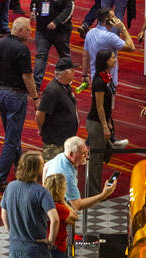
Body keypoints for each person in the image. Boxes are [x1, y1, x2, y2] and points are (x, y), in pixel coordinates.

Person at [0, 17, 39, 194]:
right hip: (16, 95)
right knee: (11, 139)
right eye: (28, 29)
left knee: (13, 134)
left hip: (1, 92)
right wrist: (35, 96)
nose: (30, 32)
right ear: (19, 30)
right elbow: (27, 76)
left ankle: (21, 170)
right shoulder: (22, 49)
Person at [42, 136, 119, 213]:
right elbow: (78, 205)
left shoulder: (61, 156)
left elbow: (46, 166)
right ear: (71, 154)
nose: (86, 156)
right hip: (54, 211)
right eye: (83, 153)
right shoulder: (66, 175)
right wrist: (103, 195)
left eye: (86, 151)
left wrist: (43, 186)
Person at [29, 0, 74, 88]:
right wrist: (33, 12)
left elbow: (69, 9)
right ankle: (36, 84)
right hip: (42, 31)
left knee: (64, 57)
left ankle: (67, 82)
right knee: (40, 56)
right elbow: (34, 3)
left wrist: (56, 22)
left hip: (61, 31)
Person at [86, 49, 121, 195]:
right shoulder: (99, 81)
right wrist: (105, 126)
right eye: (112, 58)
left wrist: (108, 121)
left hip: (103, 121)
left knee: (101, 157)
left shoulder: (106, 77)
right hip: (96, 123)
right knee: (95, 159)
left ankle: (96, 191)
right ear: (106, 61)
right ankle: (93, 194)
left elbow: (106, 106)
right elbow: (99, 107)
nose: (115, 59)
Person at [81, 7, 135, 90]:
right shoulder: (110, 37)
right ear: (107, 20)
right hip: (109, 81)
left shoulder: (90, 33)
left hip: (95, 79)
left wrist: (84, 75)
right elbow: (131, 47)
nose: (116, 19)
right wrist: (123, 29)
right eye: (113, 17)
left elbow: (85, 56)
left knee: (96, 102)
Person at [43, 171, 77, 258]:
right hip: (57, 246)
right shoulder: (59, 208)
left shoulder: (44, 203)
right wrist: (64, 202)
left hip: (41, 245)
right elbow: (74, 217)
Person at [35, 57, 79, 147]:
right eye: (73, 71)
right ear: (66, 73)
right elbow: (39, 114)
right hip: (55, 142)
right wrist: (42, 130)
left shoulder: (65, 86)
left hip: (65, 140)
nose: (75, 73)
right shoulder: (52, 91)